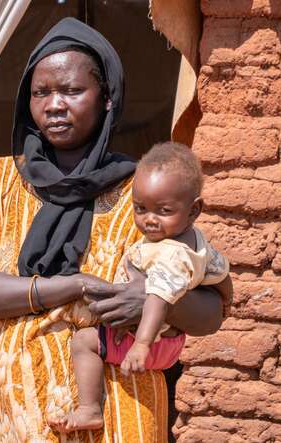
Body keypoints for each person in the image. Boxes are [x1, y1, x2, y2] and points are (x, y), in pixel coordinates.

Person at [0, 17, 232, 442]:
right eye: (41, 93)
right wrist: (71, 286)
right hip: (17, 419)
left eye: (72, 90)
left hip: (121, 418)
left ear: (107, 98)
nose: (55, 104)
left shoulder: (144, 191)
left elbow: (211, 311)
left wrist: (157, 302)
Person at [51, 142, 230, 432]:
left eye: (163, 210)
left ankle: (89, 409)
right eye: (140, 209)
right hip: (166, 342)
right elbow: (221, 274)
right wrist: (227, 299)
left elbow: (157, 297)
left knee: (84, 342)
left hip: (148, 344)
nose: (149, 219)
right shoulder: (196, 243)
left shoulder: (170, 255)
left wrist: (142, 344)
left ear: (194, 209)